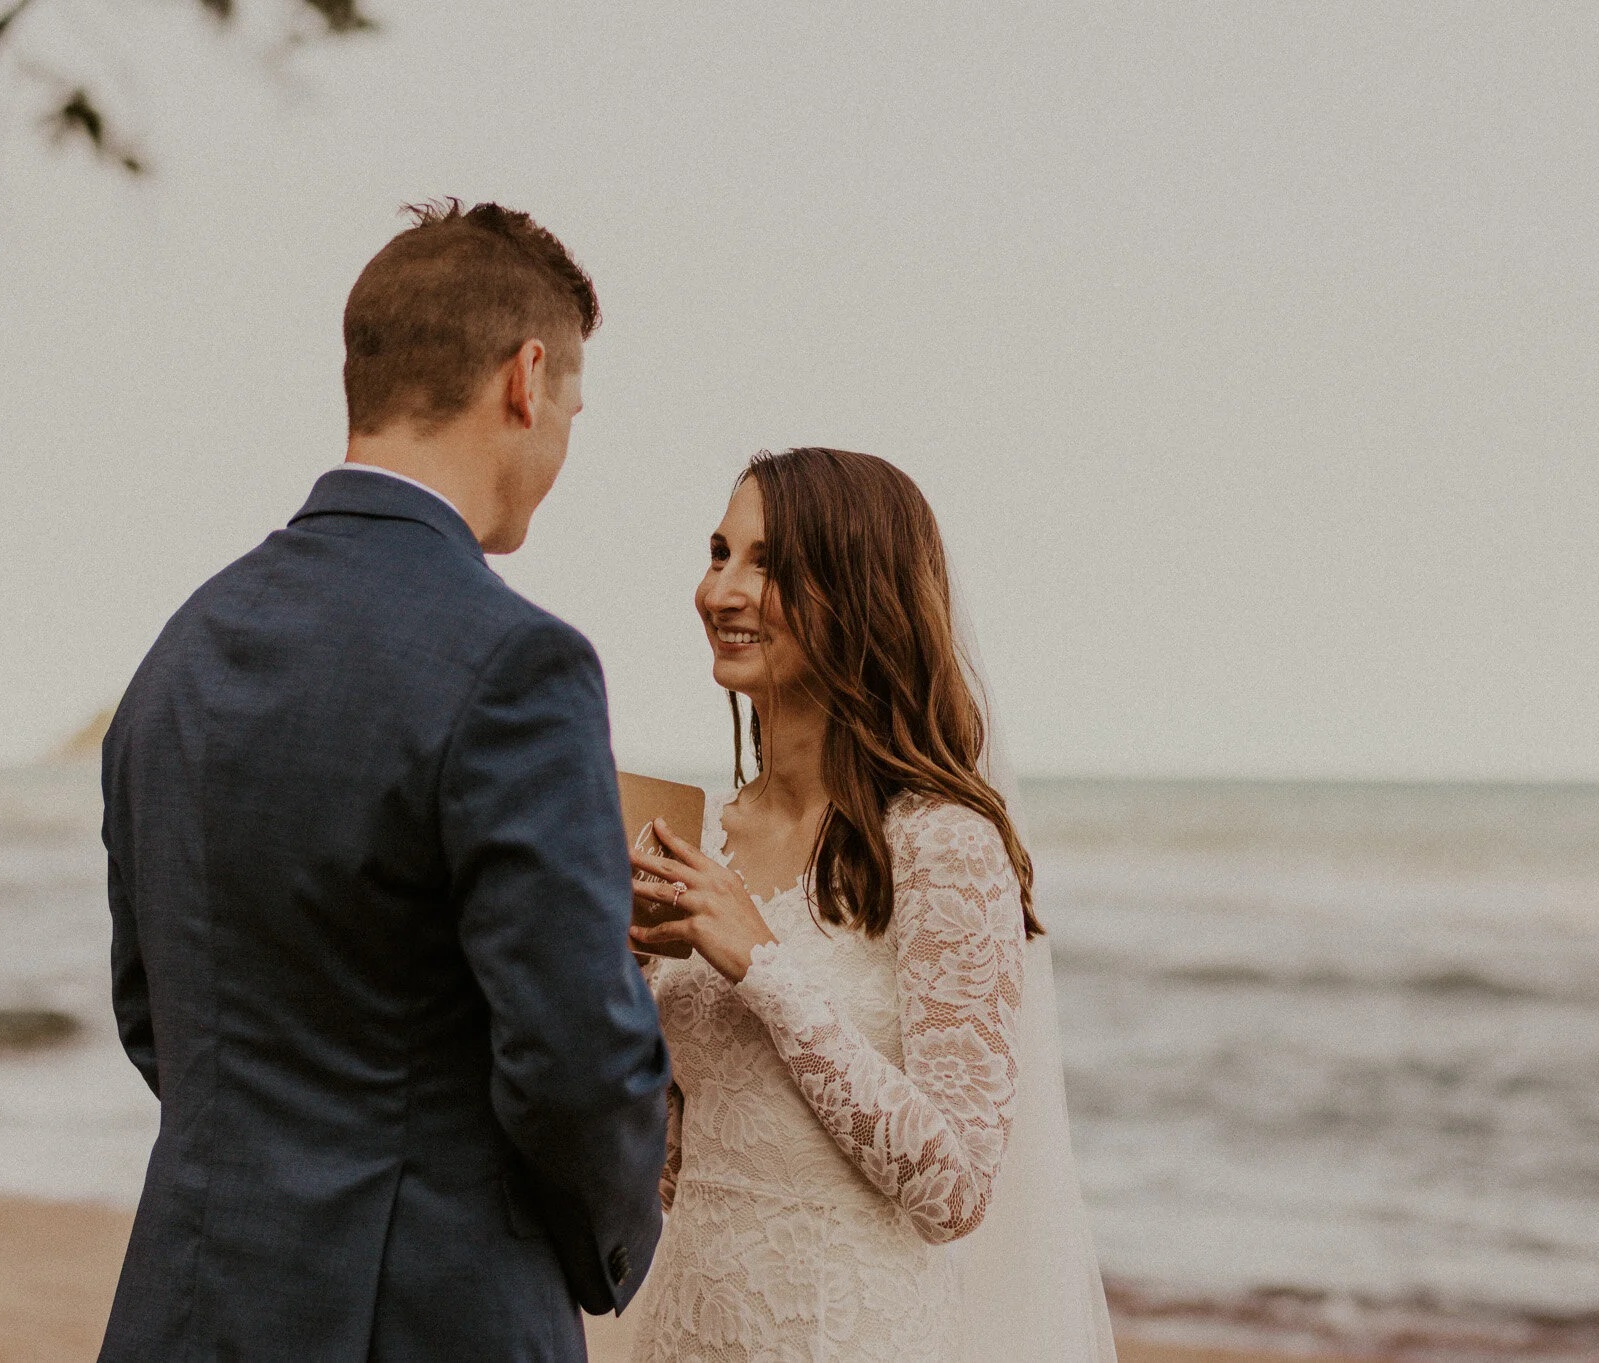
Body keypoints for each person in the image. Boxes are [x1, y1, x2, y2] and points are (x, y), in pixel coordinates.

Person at [97, 201, 672, 1363]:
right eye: (569, 406)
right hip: (424, 1317)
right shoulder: (520, 663)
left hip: (183, 1304)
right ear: (524, 378)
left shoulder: (181, 649)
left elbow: (152, 1007)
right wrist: (615, 1239)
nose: (561, 445)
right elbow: (571, 1056)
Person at [627, 448, 1117, 1362]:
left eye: (767, 562)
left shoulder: (942, 842)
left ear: (860, 592)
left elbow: (956, 1190)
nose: (721, 590)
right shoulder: (710, 838)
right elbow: (671, 1170)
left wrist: (762, 964)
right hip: (688, 1325)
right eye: (719, 552)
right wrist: (620, 975)